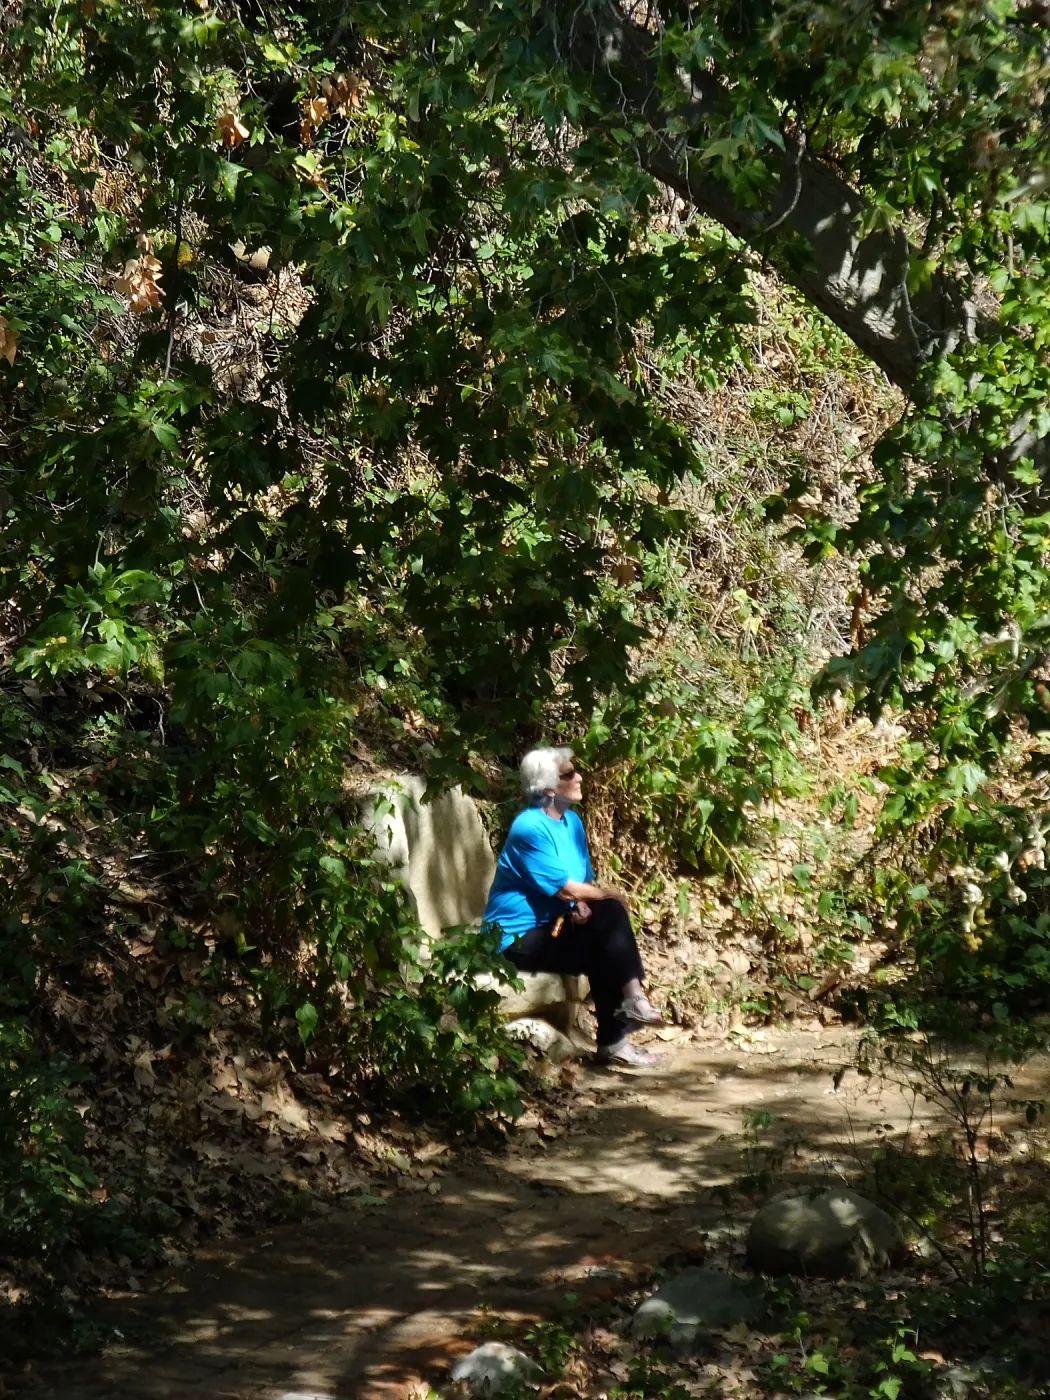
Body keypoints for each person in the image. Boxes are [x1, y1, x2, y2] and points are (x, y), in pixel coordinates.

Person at [482, 745, 665, 1067]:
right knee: (608, 916)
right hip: (515, 938)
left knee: (604, 925)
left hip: (551, 927)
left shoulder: (572, 824)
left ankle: (623, 1025)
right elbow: (567, 888)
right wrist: (607, 893)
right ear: (548, 787)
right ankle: (623, 1023)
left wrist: (581, 905)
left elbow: (576, 888)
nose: (579, 777)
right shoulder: (529, 828)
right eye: (569, 774)